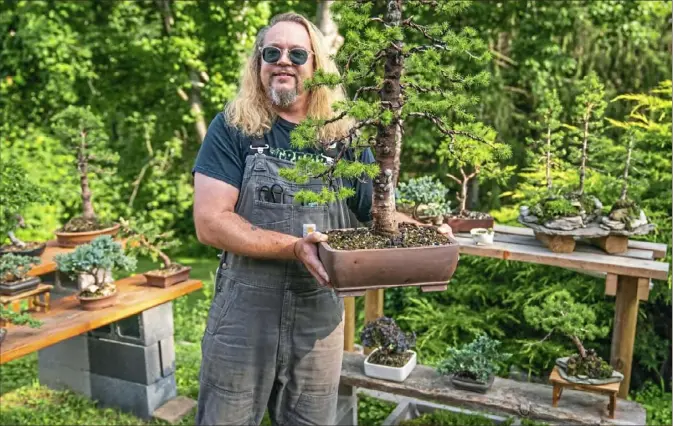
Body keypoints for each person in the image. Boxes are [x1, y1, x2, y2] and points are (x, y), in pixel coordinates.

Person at [192, 12, 453, 426]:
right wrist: (294, 247)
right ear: (257, 62)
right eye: (272, 52)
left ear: (316, 66)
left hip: (318, 316)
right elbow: (209, 222)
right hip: (243, 314)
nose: (284, 61)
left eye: (298, 53)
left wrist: (425, 235)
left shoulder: (343, 136)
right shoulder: (234, 128)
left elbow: (377, 214)